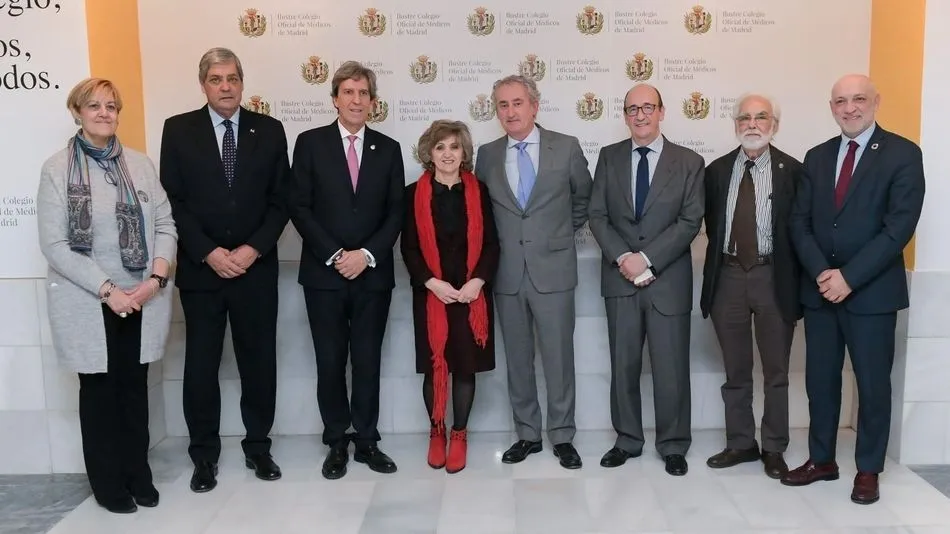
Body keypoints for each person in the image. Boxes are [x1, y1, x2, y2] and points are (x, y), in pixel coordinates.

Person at [783, 74, 925, 504]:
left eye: (858, 99)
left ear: (875, 102)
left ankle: (868, 469)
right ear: (831, 107)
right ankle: (822, 460)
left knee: (873, 385)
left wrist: (849, 276)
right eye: (841, 101)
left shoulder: (902, 154)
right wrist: (823, 274)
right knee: (820, 383)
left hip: (872, 294)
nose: (850, 108)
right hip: (821, 293)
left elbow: (898, 227)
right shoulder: (817, 156)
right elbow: (798, 223)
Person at [37, 78, 177, 513]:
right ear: (77, 112)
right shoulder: (57, 169)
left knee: (135, 390)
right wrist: (108, 289)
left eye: (111, 106)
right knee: (99, 393)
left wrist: (155, 279)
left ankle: (139, 474)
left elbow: (165, 225)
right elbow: (55, 244)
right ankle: (108, 483)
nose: (104, 112)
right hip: (89, 300)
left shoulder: (140, 165)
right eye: (94, 105)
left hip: (141, 296)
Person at [159, 47, 289, 492]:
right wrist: (208, 251)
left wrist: (253, 248)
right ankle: (204, 456)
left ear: (242, 81)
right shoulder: (178, 130)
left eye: (232, 77)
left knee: (259, 362)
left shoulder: (269, 131)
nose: (226, 86)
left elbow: (281, 200)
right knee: (201, 365)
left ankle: (258, 447)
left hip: (256, 269)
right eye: (216, 79)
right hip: (202, 271)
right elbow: (172, 201)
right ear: (203, 84)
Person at [290, 61, 405, 480]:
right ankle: (337, 440)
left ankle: (367, 440)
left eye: (364, 94)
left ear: (373, 102)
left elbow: (396, 212)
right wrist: (337, 253)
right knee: (330, 359)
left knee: (368, 359)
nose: (357, 100)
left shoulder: (388, 148)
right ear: (335, 98)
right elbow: (298, 206)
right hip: (324, 275)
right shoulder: (310, 143)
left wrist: (367, 255)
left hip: (373, 275)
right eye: (349, 93)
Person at [474, 75, 592, 470]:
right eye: (503, 105)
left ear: (534, 106)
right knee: (518, 359)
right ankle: (527, 433)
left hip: (554, 270)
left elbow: (583, 199)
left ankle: (562, 435)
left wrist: (555, 236)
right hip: (506, 273)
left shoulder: (567, 147)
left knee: (559, 358)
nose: (510, 111)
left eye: (518, 103)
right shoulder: (487, 154)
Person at [587, 83, 704, 476]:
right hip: (620, 279)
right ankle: (627, 440)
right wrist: (624, 257)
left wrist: (648, 260)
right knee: (623, 365)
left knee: (671, 369)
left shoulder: (689, 161)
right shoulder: (609, 157)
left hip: (667, 281)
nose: (640, 115)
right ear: (624, 115)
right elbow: (598, 215)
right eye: (632, 109)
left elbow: (690, 221)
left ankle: (673, 444)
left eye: (647, 107)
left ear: (662, 112)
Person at [700, 93, 803, 479]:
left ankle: (774, 448)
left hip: (773, 276)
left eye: (761, 117)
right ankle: (741, 443)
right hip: (728, 276)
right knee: (736, 370)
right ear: (735, 125)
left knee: (776, 371)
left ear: (774, 124)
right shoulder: (716, 171)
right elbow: (712, 226)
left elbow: (799, 230)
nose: (752, 124)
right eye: (744, 118)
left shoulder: (793, 171)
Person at [401, 120, 499, 474]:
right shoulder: (413, 193)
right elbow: (409, 248)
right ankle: (437, 431)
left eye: (454, 147)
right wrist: (431, 282)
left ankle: (460, 434)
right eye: (440, 147)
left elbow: (491, 243)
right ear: (429, 152)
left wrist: (477, 282)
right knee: (434, 365)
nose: (447, 153)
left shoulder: (479, 190)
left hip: (471, 295)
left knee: (465, 366)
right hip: (432, 296)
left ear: (464, 153)